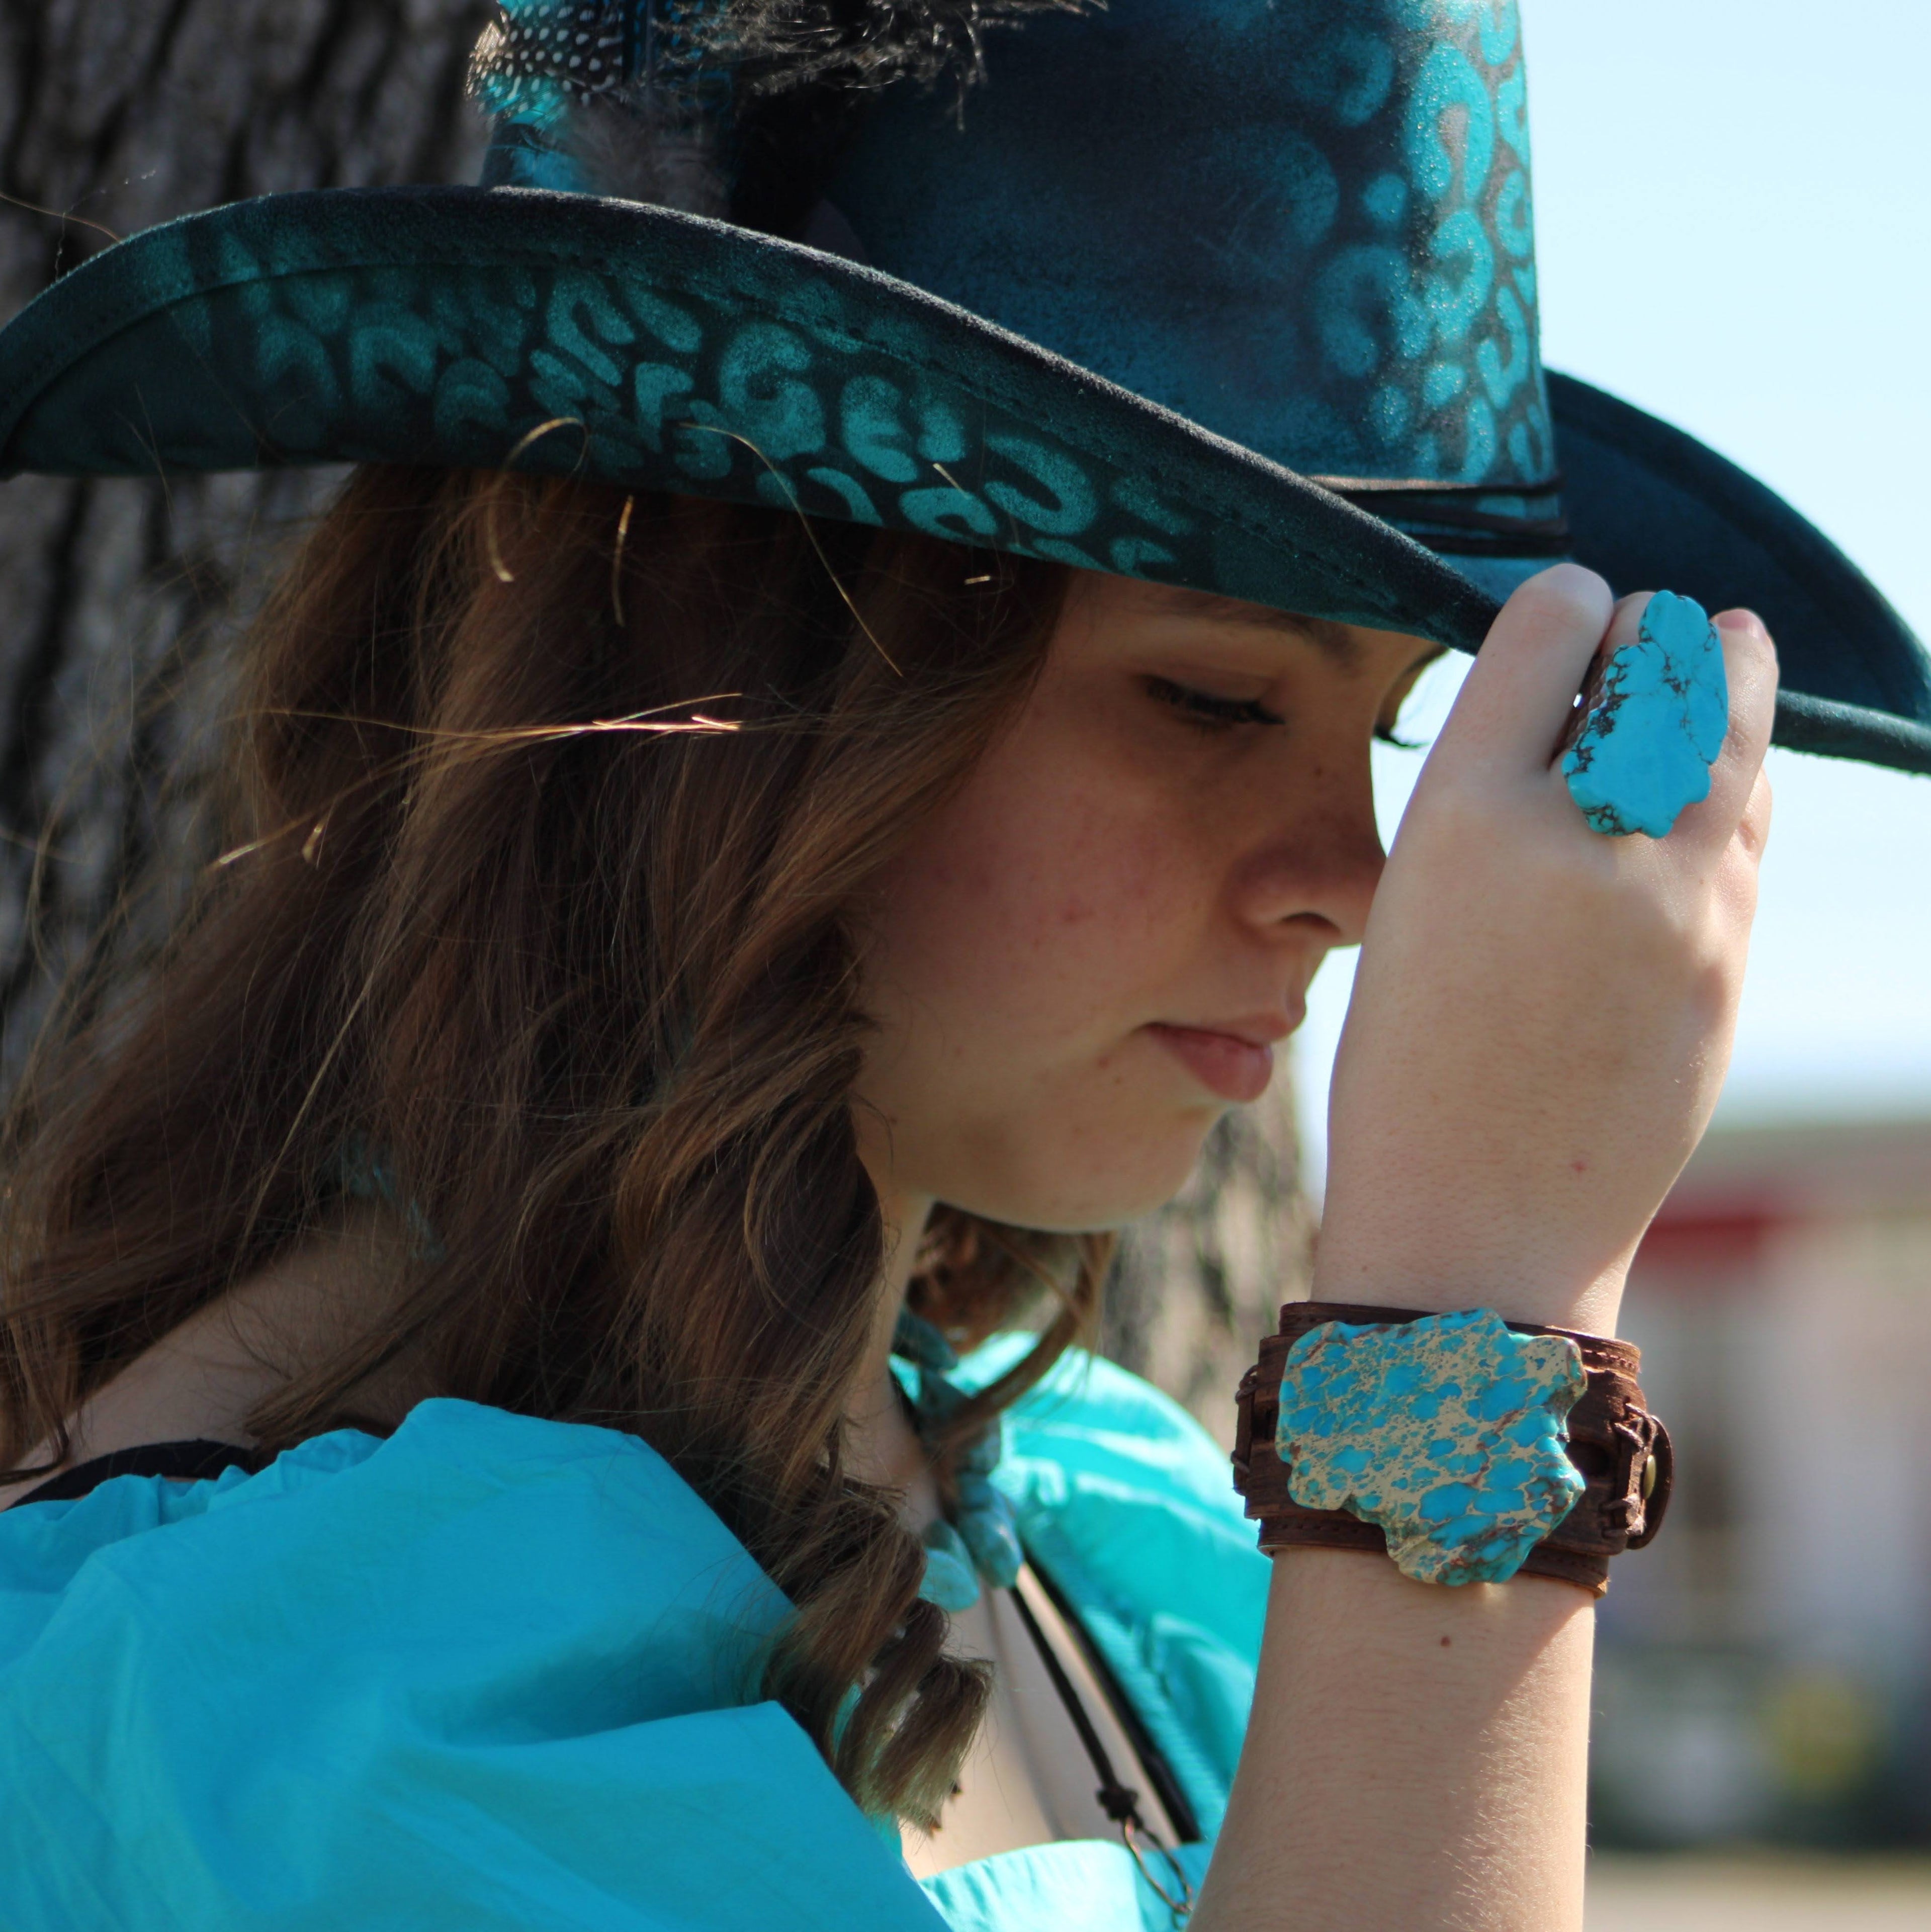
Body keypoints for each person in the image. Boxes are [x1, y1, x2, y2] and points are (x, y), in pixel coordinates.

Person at [0, 6, 1919, 1930]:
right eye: (1209, 694)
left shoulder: (1091, 1510)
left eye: (1384, 727)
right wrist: (1475, 1327)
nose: (1355, 876)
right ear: (721, 666)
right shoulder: (290, 1700)